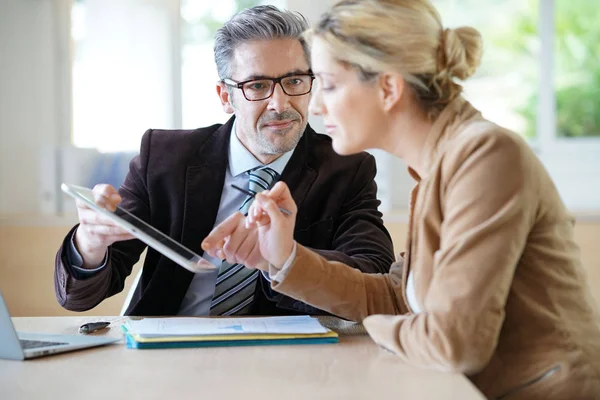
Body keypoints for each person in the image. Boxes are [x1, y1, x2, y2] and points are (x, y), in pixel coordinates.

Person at [201, 0, 600, 398]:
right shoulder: (440, 163)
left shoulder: (486, 156)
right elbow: (397, 296)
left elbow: (453, 341)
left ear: (389, 88)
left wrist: (371, 328)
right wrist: (283, 257)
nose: (317, 106)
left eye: (332, 85)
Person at [54, 5, 395, 317]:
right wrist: (91, 243)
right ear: (225, 96)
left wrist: (286, 257)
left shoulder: (347, 168)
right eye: (257, 86)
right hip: (168, 356)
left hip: (287, 361)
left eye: (294, 81)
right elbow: (79, 298)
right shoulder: (163, 157)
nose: (280, 103)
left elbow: (375, 272)